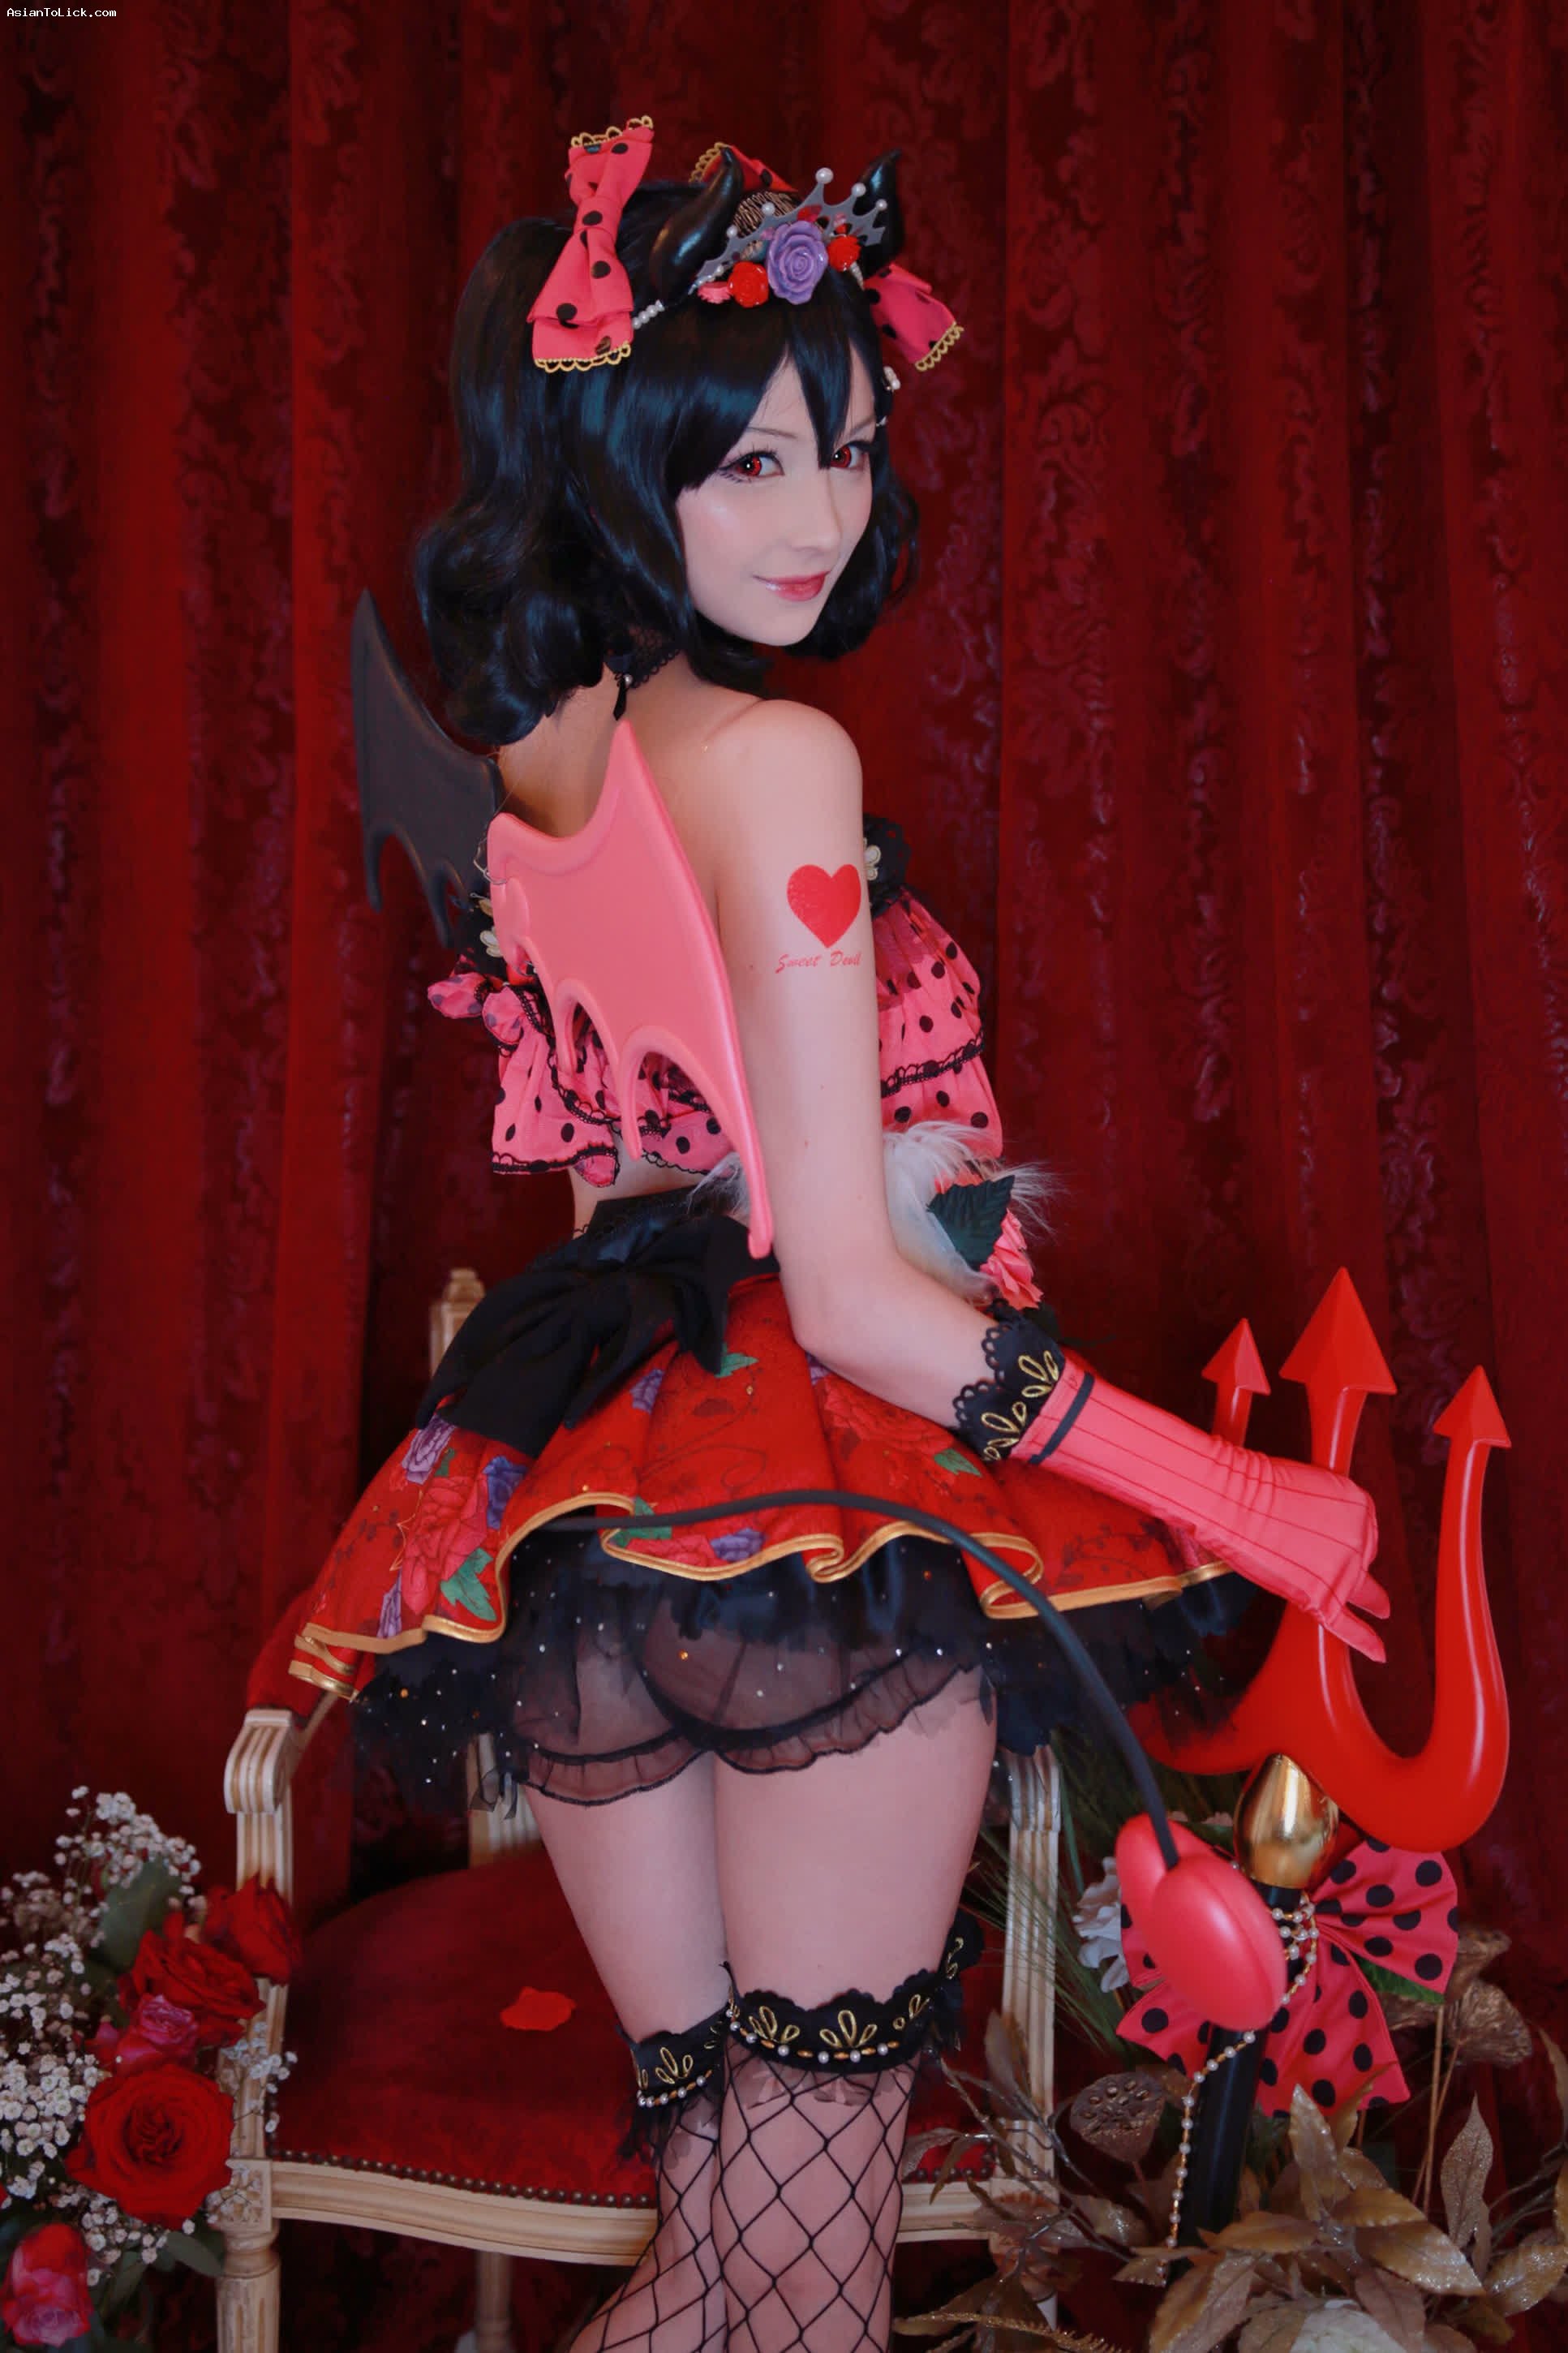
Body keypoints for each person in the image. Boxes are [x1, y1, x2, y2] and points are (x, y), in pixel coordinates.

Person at [292, 125, 1386, 2353]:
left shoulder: (545, 737)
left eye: (852, 452)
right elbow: (860, 1289)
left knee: (716, 2259)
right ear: (629, 459)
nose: (819, 517)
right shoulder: (780, 759)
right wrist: (1230, 1493)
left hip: (592, 1548)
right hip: (814, 1552)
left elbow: (617, 1203)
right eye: (753, 463)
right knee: (803, 2285)